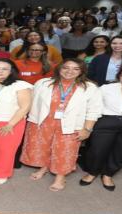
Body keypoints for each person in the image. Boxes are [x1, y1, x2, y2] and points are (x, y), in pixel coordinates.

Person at [21, 59, 102, 192]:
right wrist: (32, 122)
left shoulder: (90, 88)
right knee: (44, 147)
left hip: (71, 125)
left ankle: (60, 177)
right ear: (59, 68)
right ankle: (45, 167)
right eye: (66, 67)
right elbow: (33, 103)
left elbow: (94, 110)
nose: (70, 71)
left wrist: (87, 128)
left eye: (75, 69)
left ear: (81, 71)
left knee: (65, 151)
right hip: (44, 122)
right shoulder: (43, 83)